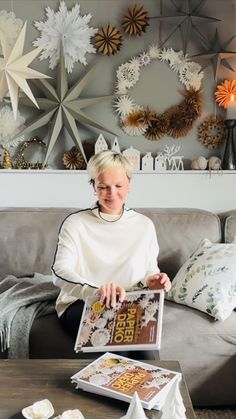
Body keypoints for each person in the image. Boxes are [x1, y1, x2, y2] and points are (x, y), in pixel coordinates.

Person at [52, 150, 171, 358]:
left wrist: (155, 281)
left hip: (131, 303)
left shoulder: (144, 225)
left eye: (118, 186)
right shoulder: (75, 223)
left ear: (129, 184)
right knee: (117, 340)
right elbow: (60, 272)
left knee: (147, 352)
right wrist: (97, 292)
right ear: (93, 187)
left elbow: (150, 273)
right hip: (82, 303)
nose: (112, 193)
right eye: (103, 187)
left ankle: (155, 391)